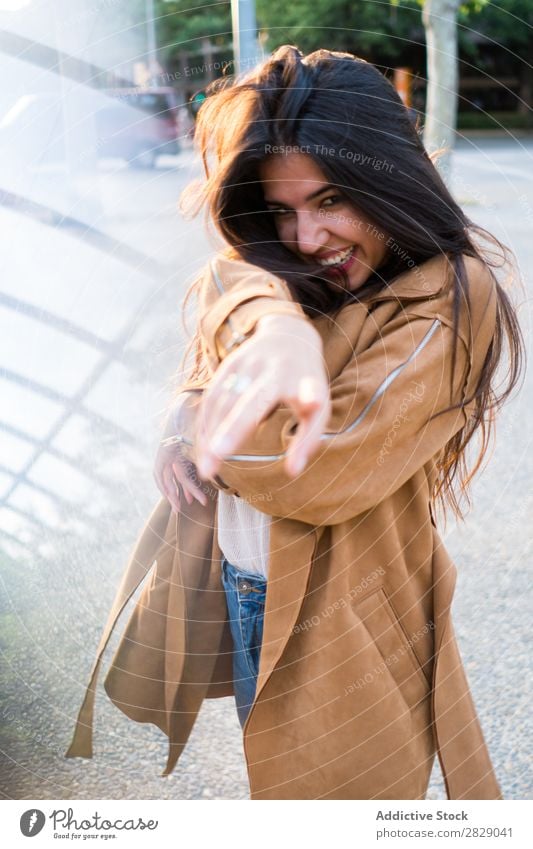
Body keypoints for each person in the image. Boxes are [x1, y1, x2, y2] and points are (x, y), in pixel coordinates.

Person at [67, 45, 524, 800]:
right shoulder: (292, 273)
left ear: (389, 178)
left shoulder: (449, 296)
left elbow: (312, 468)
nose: (306, 238)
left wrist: (211, 387)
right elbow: (227, 327)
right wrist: (243, 354)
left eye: (331, 200)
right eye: (282, 210)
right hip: (248, 585)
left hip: (339, 621)